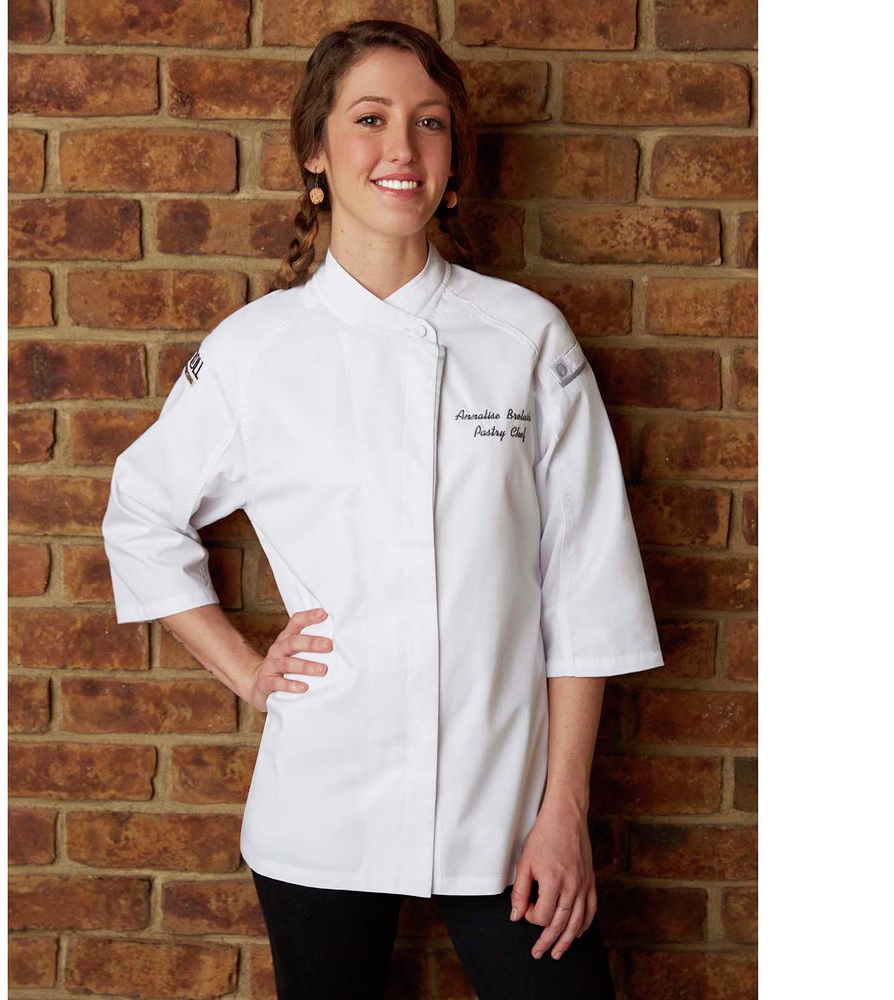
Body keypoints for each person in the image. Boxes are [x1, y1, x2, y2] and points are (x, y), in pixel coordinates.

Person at [101, 19, 664, 1000]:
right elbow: (140, 513)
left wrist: (564, 809)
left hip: (507, 805)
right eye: (370, 119)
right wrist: (246, 671)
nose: (402, 147)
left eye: (429, 122)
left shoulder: (524, 335)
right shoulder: (256, 350)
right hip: (324, 802)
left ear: (452, 157)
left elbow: (584, 583)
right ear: (316, 152)